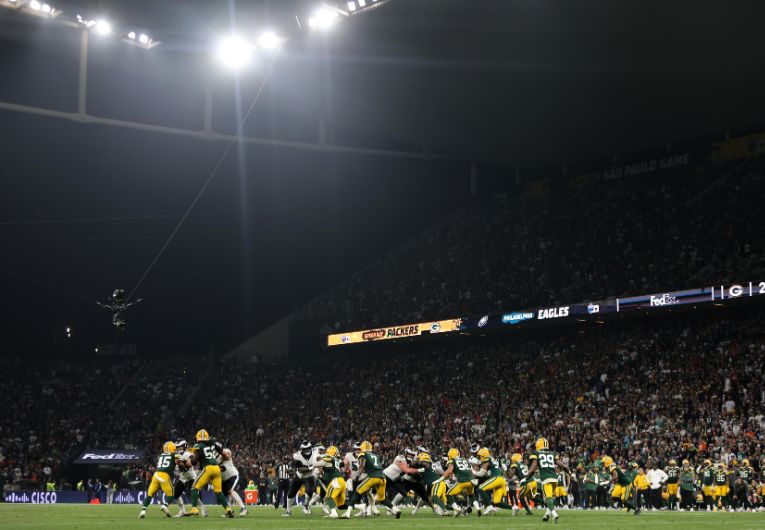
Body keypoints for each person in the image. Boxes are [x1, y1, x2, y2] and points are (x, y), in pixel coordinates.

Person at [186, 429, 233, 518]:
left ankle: (194, 509)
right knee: (218, 492)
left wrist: (193, 458)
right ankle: (228, 509)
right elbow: (225, 455)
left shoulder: (198, 445)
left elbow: (194, 461)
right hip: (217, 469)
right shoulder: (213, 443)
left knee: (194, 488)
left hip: (208, 468)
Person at [527, 437, 569, 523]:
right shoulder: (553, 453)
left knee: (548, 498)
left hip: (546, 479)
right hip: (554, 478)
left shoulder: (535, 452)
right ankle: (546, 515)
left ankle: (554, 514)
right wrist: (568, 471)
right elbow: (563, 465)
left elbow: (533, 467)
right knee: (551, 498)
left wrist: (527, 477)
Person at [342, 441, 387, 519]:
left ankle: (372, 508)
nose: (357, 451)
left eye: (358, 449)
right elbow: (345, 463)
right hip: (354, 478)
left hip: (363, 477)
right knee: (354, 495)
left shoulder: (364, 455)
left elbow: (363, 466)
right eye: (356, 449)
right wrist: (345, 468)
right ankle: (364, 509)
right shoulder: (350, 455)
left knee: (367, 494)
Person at [139, 441, 179, 519]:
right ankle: (164, 505)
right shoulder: (174, 454)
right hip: (164, 475)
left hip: (156, 475)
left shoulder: (161, 455)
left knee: (150, 495)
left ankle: (143, 510)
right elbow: (178, 461)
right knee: (171, 494)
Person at [284, 441, 316, 516]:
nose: (307, 450)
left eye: (308, 448)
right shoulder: (297, 456)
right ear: (302, 449)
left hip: (310, 476)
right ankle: (288, 511)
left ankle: (305, 507)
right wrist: (311, 467)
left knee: (310, 492)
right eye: (305, 449)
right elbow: (300, 469)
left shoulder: (315, 454)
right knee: (291, 493)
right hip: (300, 476)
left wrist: (310, 468)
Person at [219, 447, 247, 516]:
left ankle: (243, 508)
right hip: (224, 479)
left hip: (233, 475)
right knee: (220, 495)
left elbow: (227, 455)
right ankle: (229, 510)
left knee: (230, 490)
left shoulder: (224, 451)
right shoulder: (211, 457)